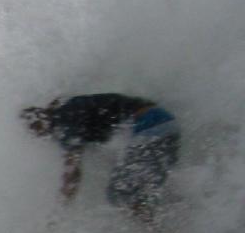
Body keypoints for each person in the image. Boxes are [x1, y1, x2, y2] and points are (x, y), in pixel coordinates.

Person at [21, 93, 180, 223]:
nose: (39, 134)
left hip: (150, 125)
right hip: (164, 122)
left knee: (119, 193)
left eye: (36, 128)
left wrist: (57, 215)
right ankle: (180, 222)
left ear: (42, 117)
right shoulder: (68, 109)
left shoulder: (64, 123)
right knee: (144, 189)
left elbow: (72, 175)